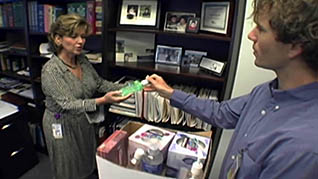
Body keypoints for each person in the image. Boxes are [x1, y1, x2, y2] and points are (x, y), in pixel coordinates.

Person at [146, 0, 318, 178]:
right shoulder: (265, 91)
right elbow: (220, 112)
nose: (251, 35)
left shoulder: (304, 147)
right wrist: (169, 92)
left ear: (295, 46)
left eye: (261, 29)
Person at [41, 14, 130, 179]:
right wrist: (103, 100)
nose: (80, 41)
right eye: (74, 36)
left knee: (85, 160)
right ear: (58, 39)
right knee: (67, 167)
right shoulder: (51, 70)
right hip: (61, 123)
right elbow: (68, 104)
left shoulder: (81, 60)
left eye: (83, 36)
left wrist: (130, 87)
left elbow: (99, 84)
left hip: (82, 120)